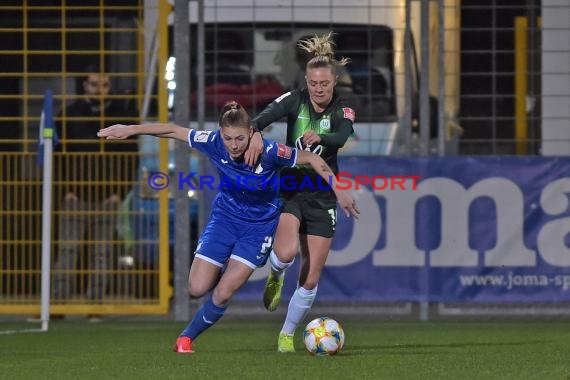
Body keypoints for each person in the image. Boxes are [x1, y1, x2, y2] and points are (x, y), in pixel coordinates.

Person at [97, 101, 359, 353]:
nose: (234, 145)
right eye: (228, 138)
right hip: (224, 220)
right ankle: (217, 288)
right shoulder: (213, 142)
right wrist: (129, 130)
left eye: (240, 139)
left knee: (223, 292)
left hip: (258, 229)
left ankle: (186, 338)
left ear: (251, 134)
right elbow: (173, 130)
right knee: (197, 288)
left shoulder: (270, 152)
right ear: (221, 134)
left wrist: (339, 191)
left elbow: (312, 160)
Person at [244, 32, 356, 352]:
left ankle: (286, 335)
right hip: (292, 187)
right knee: (286, 253)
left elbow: (341, 138)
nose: (318, 89)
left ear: (334, 81)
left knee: (310, 275)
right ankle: (277, 274)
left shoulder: (344, 108)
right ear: (306, 80)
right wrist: (253, 133)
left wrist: (321, 139)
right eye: (313, 83)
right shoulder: (294, 99)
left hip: (323, 195)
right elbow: (261, 117)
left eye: (324, 83)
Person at [52, 65, 139, 321]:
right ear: (84, 86)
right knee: (67, 251)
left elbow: (130, 158)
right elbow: (58, 156)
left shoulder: (120, 115)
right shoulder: (68, 114)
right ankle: (57, 304)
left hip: (107, 196)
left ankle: (95, 305)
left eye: (103, 85)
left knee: (101, 252)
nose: (98, 89)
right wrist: (65, 189)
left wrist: (119, 193)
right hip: (74, 196)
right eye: (93, 84)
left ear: (109, 87)